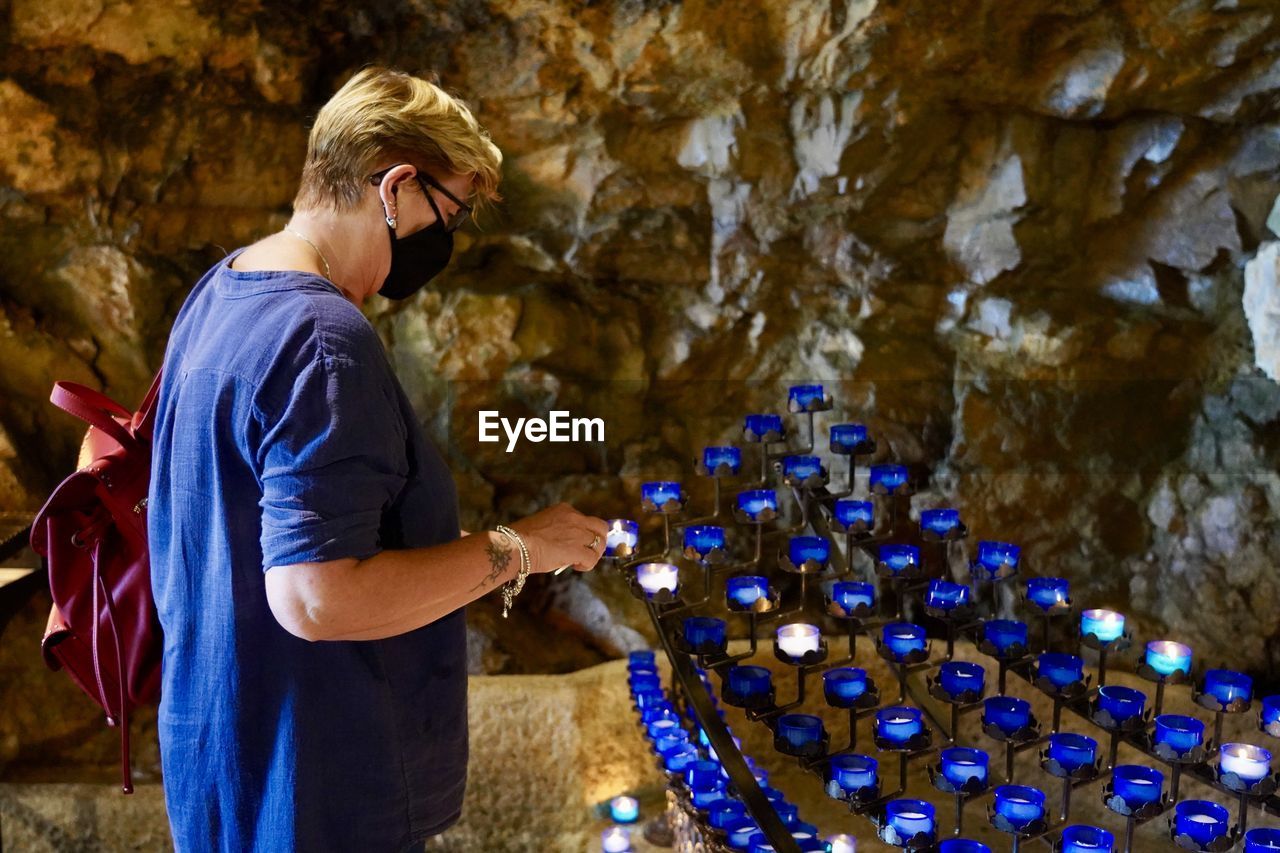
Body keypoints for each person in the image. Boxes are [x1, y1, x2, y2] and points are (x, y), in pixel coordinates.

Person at [147, 65, 609, 852]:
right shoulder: (323, 341)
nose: (448, 239)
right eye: (451, 210)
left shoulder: (222, 290)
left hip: (222, 759)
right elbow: (316, 597)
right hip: (317, 788)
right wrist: (520, 548)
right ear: (395, 187)